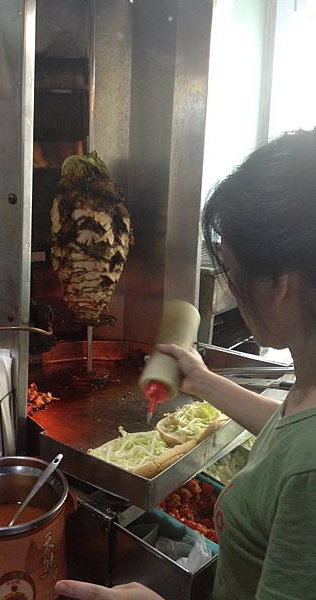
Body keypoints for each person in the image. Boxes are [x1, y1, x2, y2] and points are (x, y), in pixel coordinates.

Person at [55, 129, 316, 600]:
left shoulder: (309, 479)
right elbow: (287, 430)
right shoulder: (309, 384)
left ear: (282, 284)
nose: (231, 288)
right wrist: (201, 379)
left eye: (232, 270)